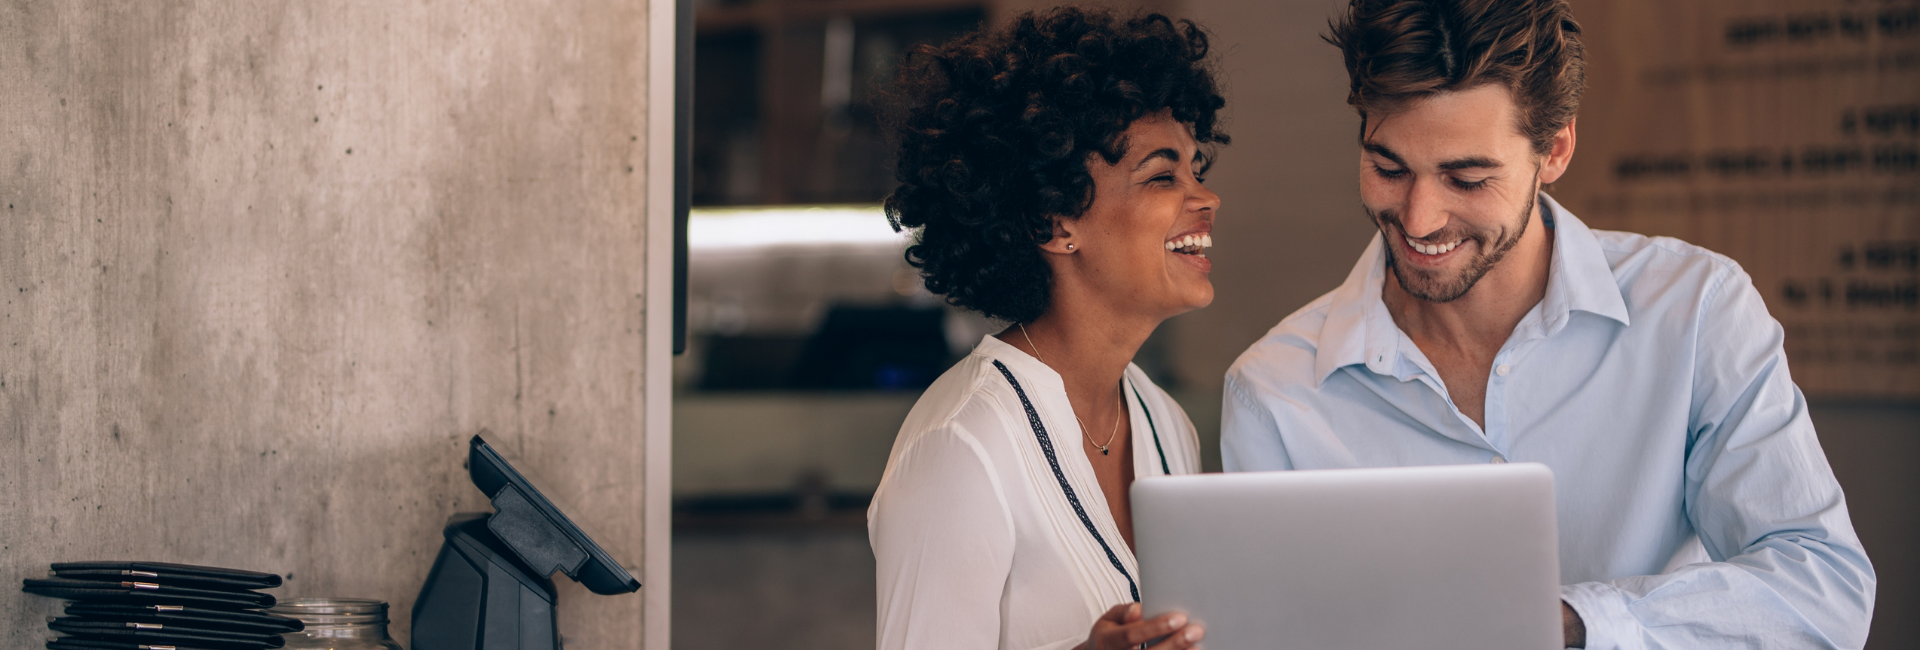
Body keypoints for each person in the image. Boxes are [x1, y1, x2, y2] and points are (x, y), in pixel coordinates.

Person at [1220, 0, 1876, 648]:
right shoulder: (1274, 391)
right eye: (1389, 169)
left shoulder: (1696, 312)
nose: (1419, 219)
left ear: (1555, 150)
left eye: (1467, 179)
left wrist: (1568, 624)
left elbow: (1824, 588)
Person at [867, 7, 1227, 650]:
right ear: (1054, 225)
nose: (1206, 198)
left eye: (1196, 169)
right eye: (1162, 176)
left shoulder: (1165, 424)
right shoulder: (962, 444)